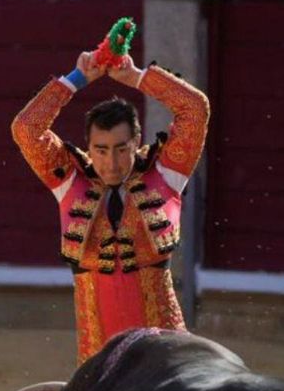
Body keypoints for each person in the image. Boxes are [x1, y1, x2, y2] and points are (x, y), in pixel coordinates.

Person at [11, 49, 210, 364]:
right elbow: (26, 129)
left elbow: (195, 109)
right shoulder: (69, 181)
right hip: (97, 359)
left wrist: (137, 78)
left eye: (121, 149)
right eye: (100, 150)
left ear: (137, 141)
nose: (111, 162)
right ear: (88, 148)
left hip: (166, 356)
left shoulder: (166, 174)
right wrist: (76, 80)